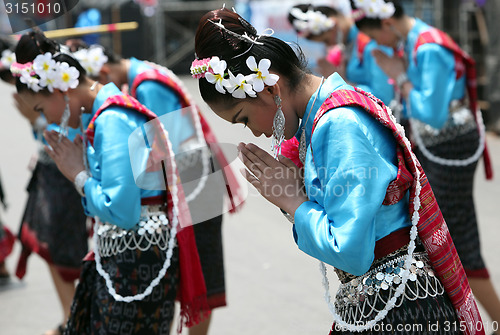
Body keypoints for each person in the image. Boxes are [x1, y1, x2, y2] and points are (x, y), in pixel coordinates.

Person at [192, 7, 485, 334]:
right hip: (388, 303)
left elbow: (350, 250)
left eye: (244, 118)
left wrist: (293, 201)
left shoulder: (337, 123)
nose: (254, 133)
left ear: (270, 89)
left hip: (401, 311)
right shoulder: (322, 118)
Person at [13, 31, 209, 334]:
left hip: (135, 261)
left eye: (40, 109)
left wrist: (77, 174)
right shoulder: (108, 111)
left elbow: (120, 209)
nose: (46, 118)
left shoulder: (112, 118)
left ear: (58, 91)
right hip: (137, 254)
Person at [71, 44, 244, 335]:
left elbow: (162, 149)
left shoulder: (147, 85)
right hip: (188, 176)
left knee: (199, 275)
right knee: (185, 271)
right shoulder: (142, 71)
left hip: (194, 182)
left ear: (102, 71)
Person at [350, 0, 500, 328]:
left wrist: (399, 76)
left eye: (376, 37)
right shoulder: (416, 41)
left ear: (387, 24)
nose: (377, 46)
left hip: (449, 148)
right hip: (440, 146)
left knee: (453, 240)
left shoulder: (428, 48)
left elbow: (431, 112)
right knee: (445, 238)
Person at [0, 36, 88, 335]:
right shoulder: (49, 86)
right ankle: (70, 316)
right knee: (52, 249)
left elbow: (68, 127)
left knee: (59, 250)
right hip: (58, 170)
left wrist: (36, 122)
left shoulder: (69, 90)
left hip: (68, 173)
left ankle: (72, 318)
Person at [288, 3, 394, 105]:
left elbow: (383, 97)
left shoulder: (370, 42)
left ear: (333, 24)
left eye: (326, 40)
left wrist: (341, 82)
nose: (330, 45)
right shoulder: (348, 46)